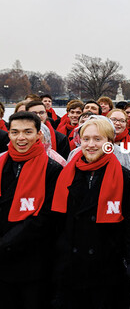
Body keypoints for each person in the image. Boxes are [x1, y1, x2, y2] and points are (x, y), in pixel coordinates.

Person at [51, 118, 130, 308]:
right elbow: (57, 222)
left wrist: (129, 263)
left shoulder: (126, 178)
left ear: (109, 143)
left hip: (106, 269)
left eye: (97, 139)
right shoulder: (65, 174)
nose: (91, 145)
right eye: (86, 139)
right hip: (70, 267)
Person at [0, 112, 63, 309]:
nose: (21, 138)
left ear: (38, 135)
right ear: (8, 134)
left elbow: (47, 216)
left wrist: (6, 242)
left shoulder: (52, 169)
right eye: (15, 132)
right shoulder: (0, 164)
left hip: (34, 261)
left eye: (28, 132)